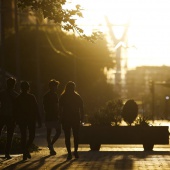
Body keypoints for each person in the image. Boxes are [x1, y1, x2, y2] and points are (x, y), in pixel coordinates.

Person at [15, 81, 41, 160]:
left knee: (24, 136)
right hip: (30, 119)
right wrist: (39, 120)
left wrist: (16, 120)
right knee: (31, 136)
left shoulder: (19, 98)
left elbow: (16, 110)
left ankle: (25, 150)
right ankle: (25, 151)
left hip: (23, 119)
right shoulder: (31, 97)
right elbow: (36, 109)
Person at [59, 81, 84, 160]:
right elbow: (82, 108)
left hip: (66, 118)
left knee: (68, 136)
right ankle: (75, 151)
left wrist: (60, 118)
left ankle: (70, 153)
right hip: (75, 118)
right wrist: (82, 118)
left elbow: (60, 109)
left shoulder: (63, 96)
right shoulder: (77, 96)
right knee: (75, 136)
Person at [0, 77, 18, 159]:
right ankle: (7, 153)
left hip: (2, 116)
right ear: (14, 85)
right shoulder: (15, 95)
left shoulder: (2, 93)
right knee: (10, 136)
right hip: (11, 117)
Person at [43, 79, 61, 155]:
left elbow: (44, 106)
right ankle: (51, 145)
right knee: (58, 131)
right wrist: (59, 114)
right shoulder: (54, 95)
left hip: (48, 115)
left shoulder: (45, 95)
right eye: (56, 86)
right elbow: (56, 106)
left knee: (48, 133)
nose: (56, 88)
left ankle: (51, 147)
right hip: (54, 116)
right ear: (53, 86)